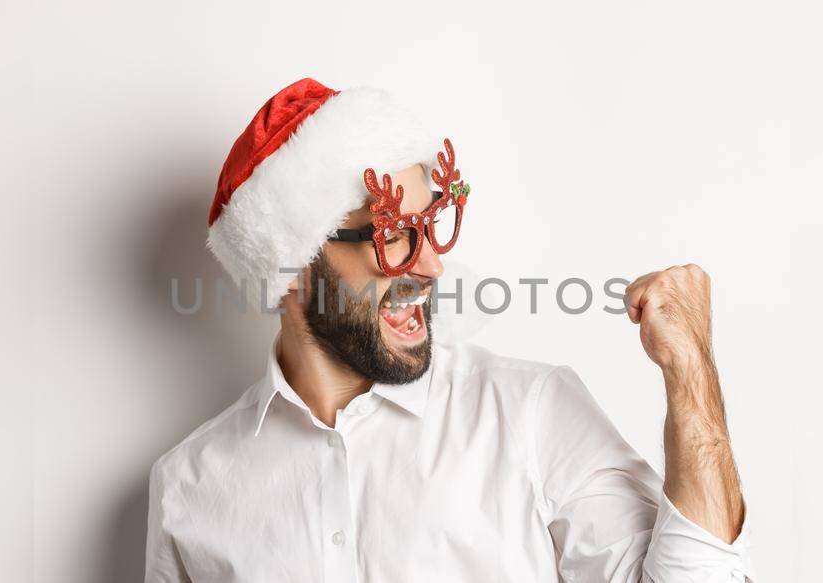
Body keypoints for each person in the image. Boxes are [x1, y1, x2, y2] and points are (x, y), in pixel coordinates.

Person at [146, 77, 754, 582]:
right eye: (391, 235)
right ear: (290, 266)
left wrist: (690, 369)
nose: (431, 266)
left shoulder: (530, 414)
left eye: (431, 226)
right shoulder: (188, 489)